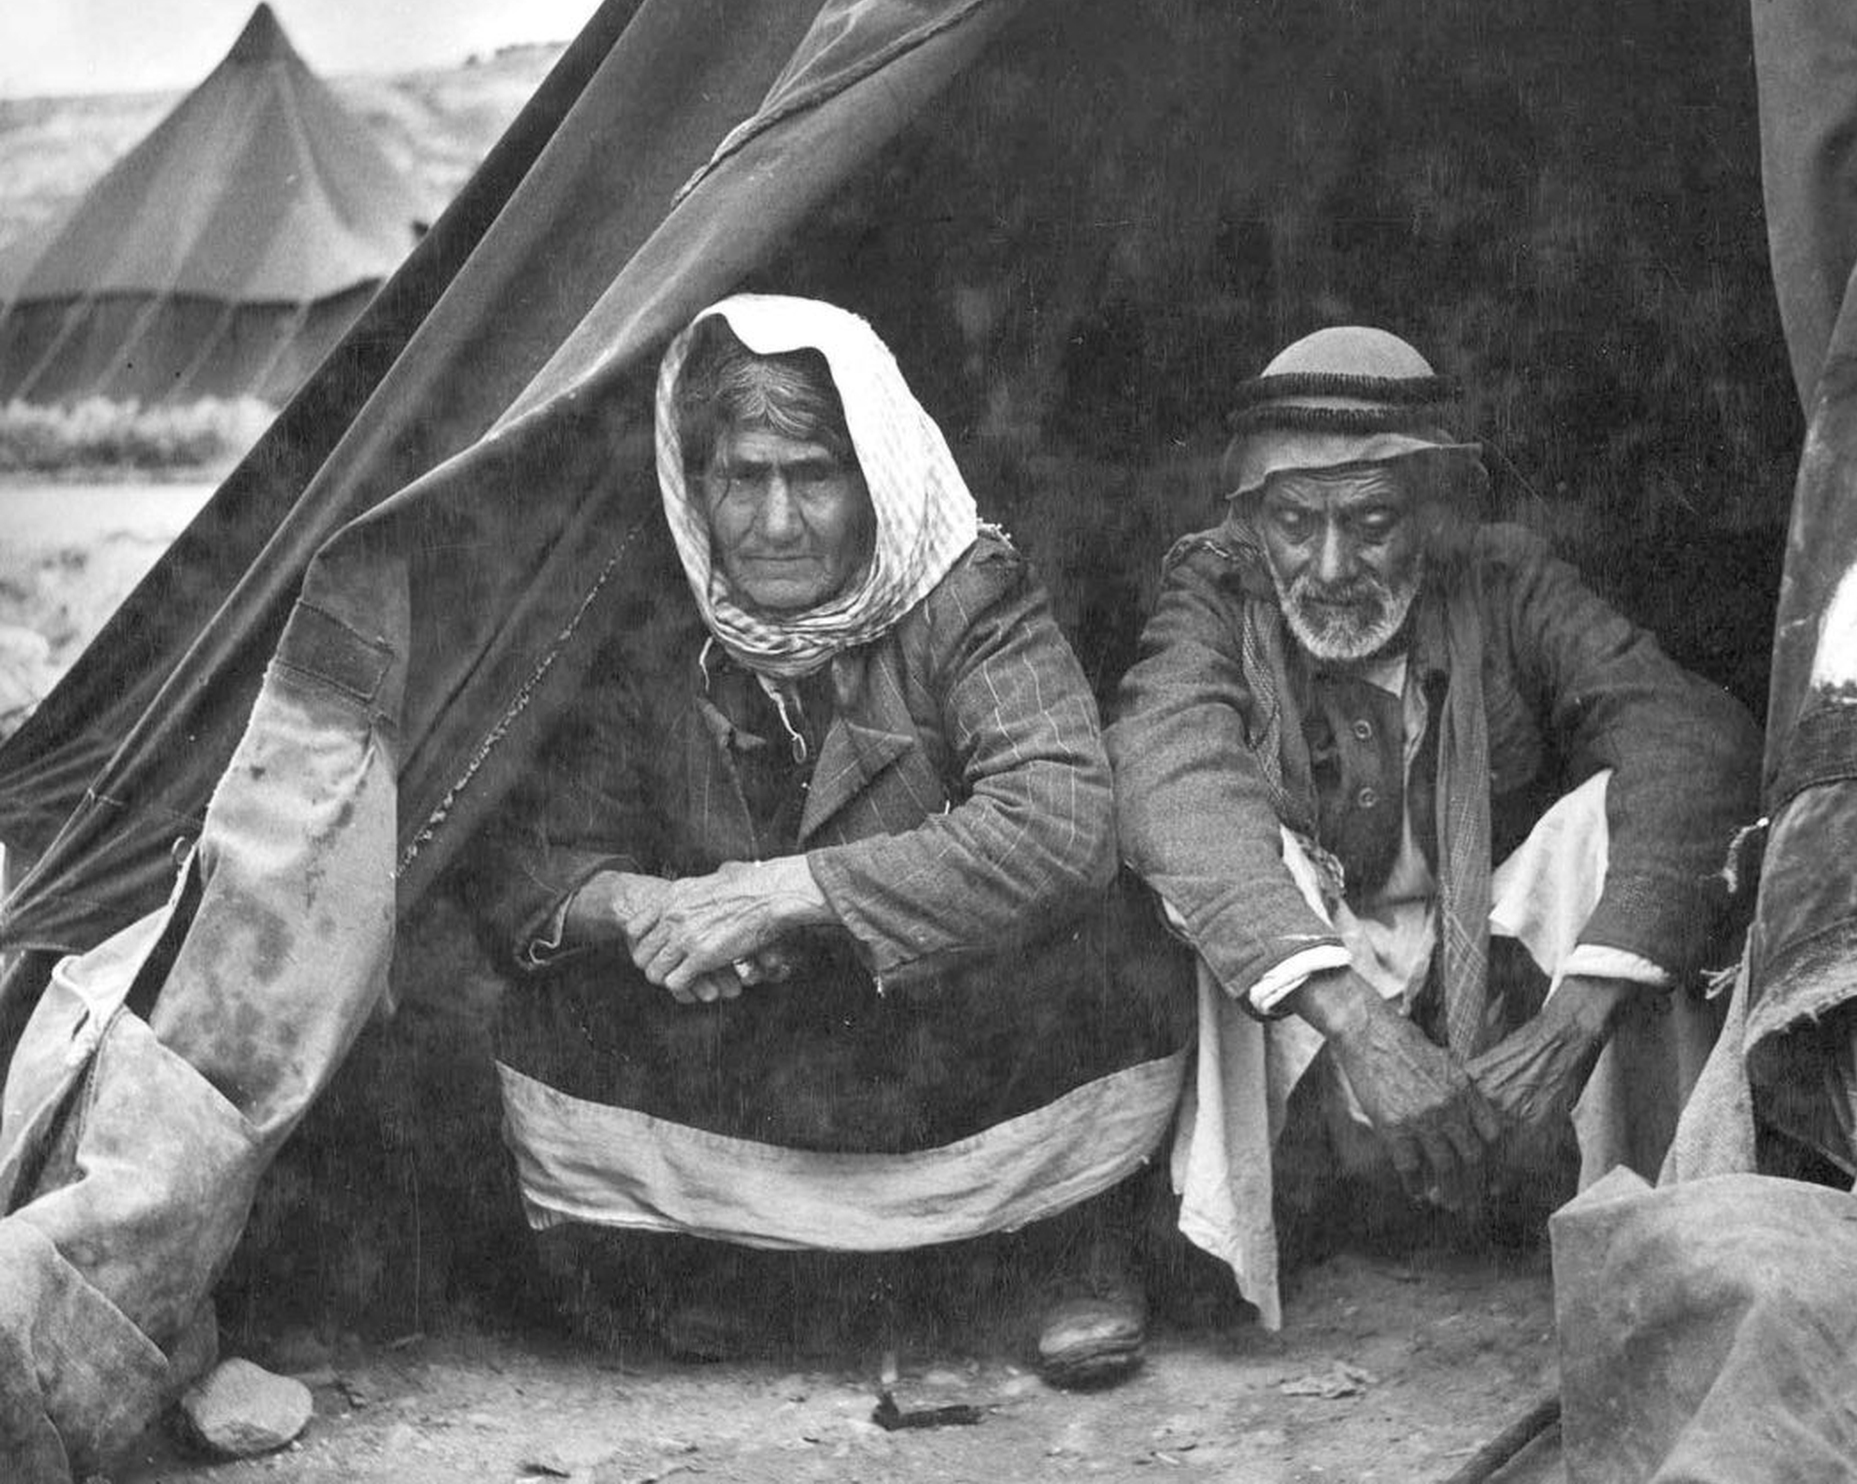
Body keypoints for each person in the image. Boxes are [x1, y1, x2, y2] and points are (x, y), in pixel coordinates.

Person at [470, 293, 1187, 1386]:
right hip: (768, 1041)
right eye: (741, 477)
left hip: (950, 1024)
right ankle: (755, 1279)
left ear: (875, 478)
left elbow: (1057, 820)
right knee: (550, 1007)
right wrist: (647, 911)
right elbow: (540, 849)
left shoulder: (967, 595)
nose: (774, 522)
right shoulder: (659, 616)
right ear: (696, 484)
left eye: (812, 476)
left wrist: (786, 893)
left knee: (1114, 952)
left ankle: (1063, 1256)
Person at [1106, 325, 1759, 1323]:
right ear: (1255, 519)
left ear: (1437, 513)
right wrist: (1356, 1021)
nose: (1329, 565)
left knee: (1619, 833)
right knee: (1217, 857)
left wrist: (1575, 1018)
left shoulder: (1503, 581)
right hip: (1323, 1004)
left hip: (1496, 998)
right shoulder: (1218, 591)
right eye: (1295, 522)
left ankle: (1647, 1262)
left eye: (1371, 521)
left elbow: (1692, 740)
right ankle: (1232, 1262)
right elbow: (1169, 775)